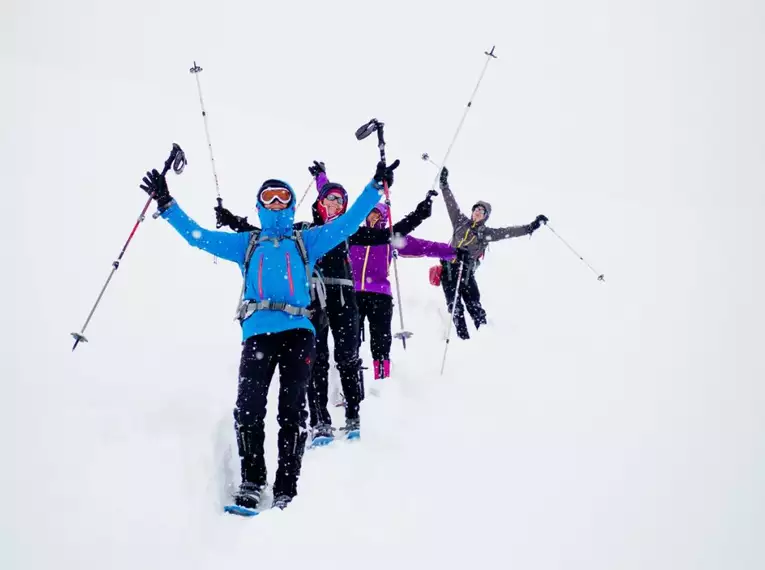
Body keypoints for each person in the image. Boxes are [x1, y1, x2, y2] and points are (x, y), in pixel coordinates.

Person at [138, 160, 388, 511]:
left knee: (291, 411)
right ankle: (252, 482)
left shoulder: (307, 240)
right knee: (249, 407)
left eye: (281, 196)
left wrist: (375, 187)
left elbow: (347, 224)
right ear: (259, 204)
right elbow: (201, 238)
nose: (274, 202)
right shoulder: (247, 243)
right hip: (258, 334)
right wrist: (167, 207)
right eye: (267, 196)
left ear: (290, 204)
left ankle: (286, 487)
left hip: (300, 333)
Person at [437, 166, 548, 340]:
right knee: (454, 304)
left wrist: (531, 226)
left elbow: (509, 232)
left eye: (482, 211)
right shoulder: (459, 222)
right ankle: (463, 338)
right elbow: (451, 203)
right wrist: (444, 184)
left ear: (486, 216)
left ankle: (485, 337)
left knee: (473, 303)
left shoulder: (485, 233)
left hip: (466, 271)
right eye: (476, 209)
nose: (477, 213)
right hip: (449, 268)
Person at [350, 202, 457, 379]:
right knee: (351, 337)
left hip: (380, 294)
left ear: (384, 218)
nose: (373, 217)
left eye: (378, 214)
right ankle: (351, 374)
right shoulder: (355, 235)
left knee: (381, 339)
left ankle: (382, 376)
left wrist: (452, 252)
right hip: (354, 293)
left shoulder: (389, 238)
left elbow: (424, 246)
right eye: (371, 213)